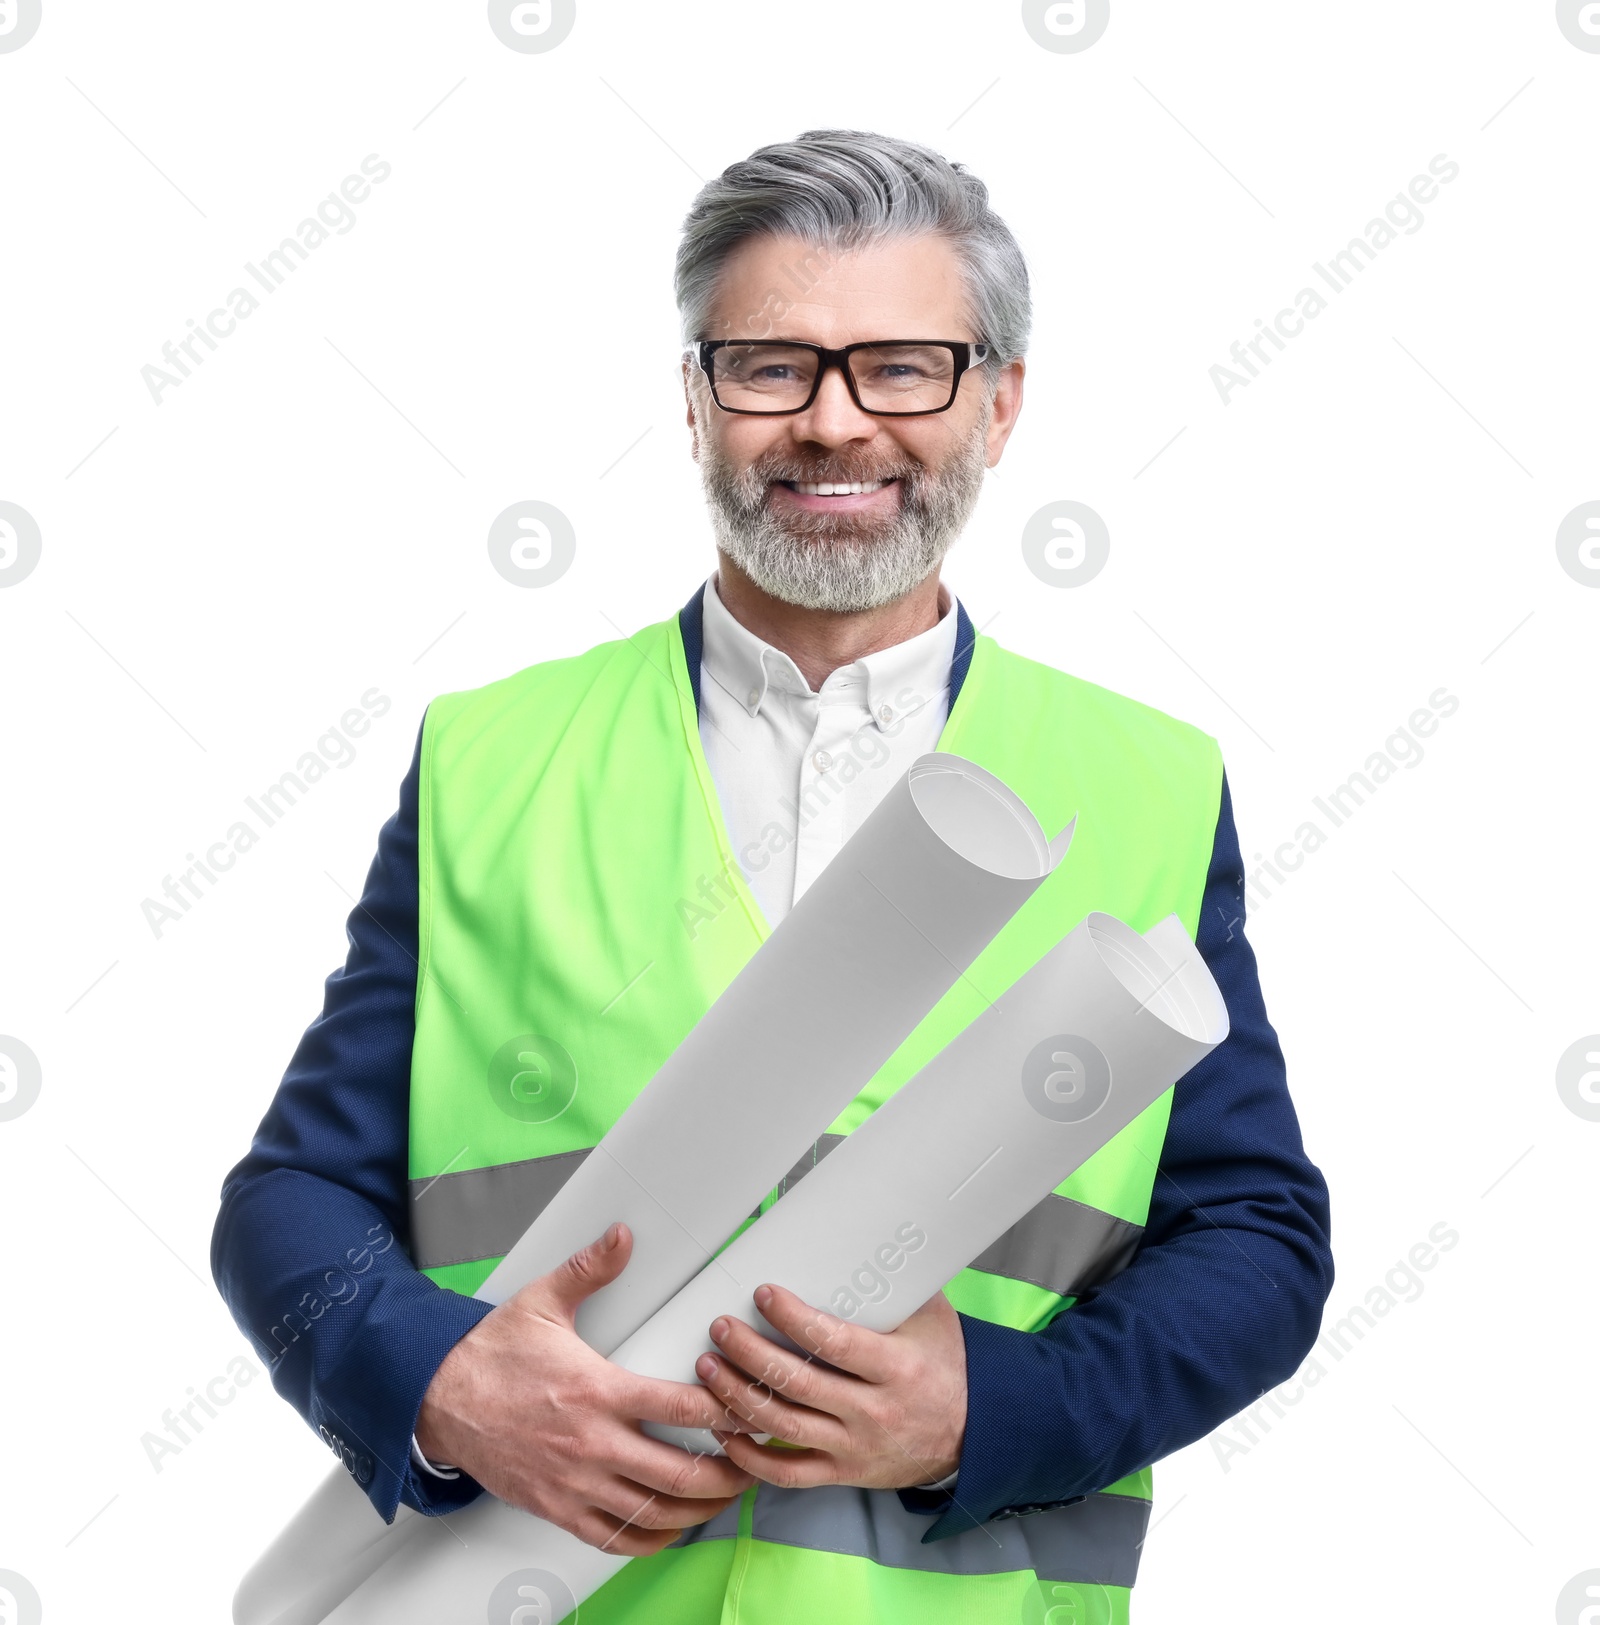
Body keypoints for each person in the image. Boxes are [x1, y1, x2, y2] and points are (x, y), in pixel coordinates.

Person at [213, 129, 1334, 1623]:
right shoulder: (496, 755)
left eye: (904, 367)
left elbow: (1256, 1237)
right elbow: (292, 1192)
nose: (834, 423)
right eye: (770, 367)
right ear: (694, 403)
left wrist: (991, 1407)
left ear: (1000, 405)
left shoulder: (1147, 781)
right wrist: (443, 1373)